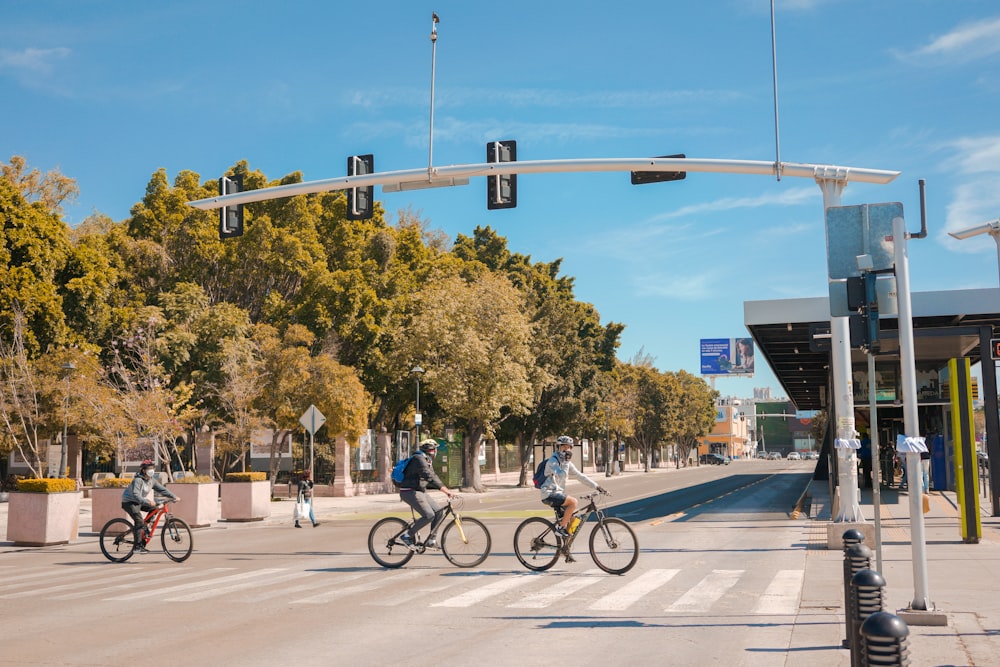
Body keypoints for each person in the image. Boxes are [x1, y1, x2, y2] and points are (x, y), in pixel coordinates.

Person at [539, 436, 607, 561]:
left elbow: (580, 476)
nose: (567, 449)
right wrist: (565, 462)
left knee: (573, 522)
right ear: (558, 447)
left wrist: (597, 486)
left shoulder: (567, 463)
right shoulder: (553, 461)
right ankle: (559, 529)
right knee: (573, 502)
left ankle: (566, 550)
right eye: (564, 446)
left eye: (569, 447)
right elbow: (562, 475)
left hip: (558, 494)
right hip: (548, 494)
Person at [397, 438, 455, 549]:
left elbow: (433, 476)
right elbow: (430, 477)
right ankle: (407, 536)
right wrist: (446, 491)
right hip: (409, 491)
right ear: (430, 450)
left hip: (419, 491)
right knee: (429, 515)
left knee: (438, 512)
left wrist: (445, 489)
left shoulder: (426, 460)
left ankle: (431, 541)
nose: (436, 452)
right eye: (435, 449)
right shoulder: (419, 459)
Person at [121, 459, 178, 554]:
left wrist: (174, 496)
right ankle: (137, 547)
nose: (151, 470)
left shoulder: (151, 481)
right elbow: (136, 495)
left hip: (139, 501)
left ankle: (144, 526)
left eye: (153, 468)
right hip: (129, 502)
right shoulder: (138, 480)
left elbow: (162, 490)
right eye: (149, 469)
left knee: (155, 508)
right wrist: (147, 502)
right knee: (139, 521)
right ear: (143, 470)